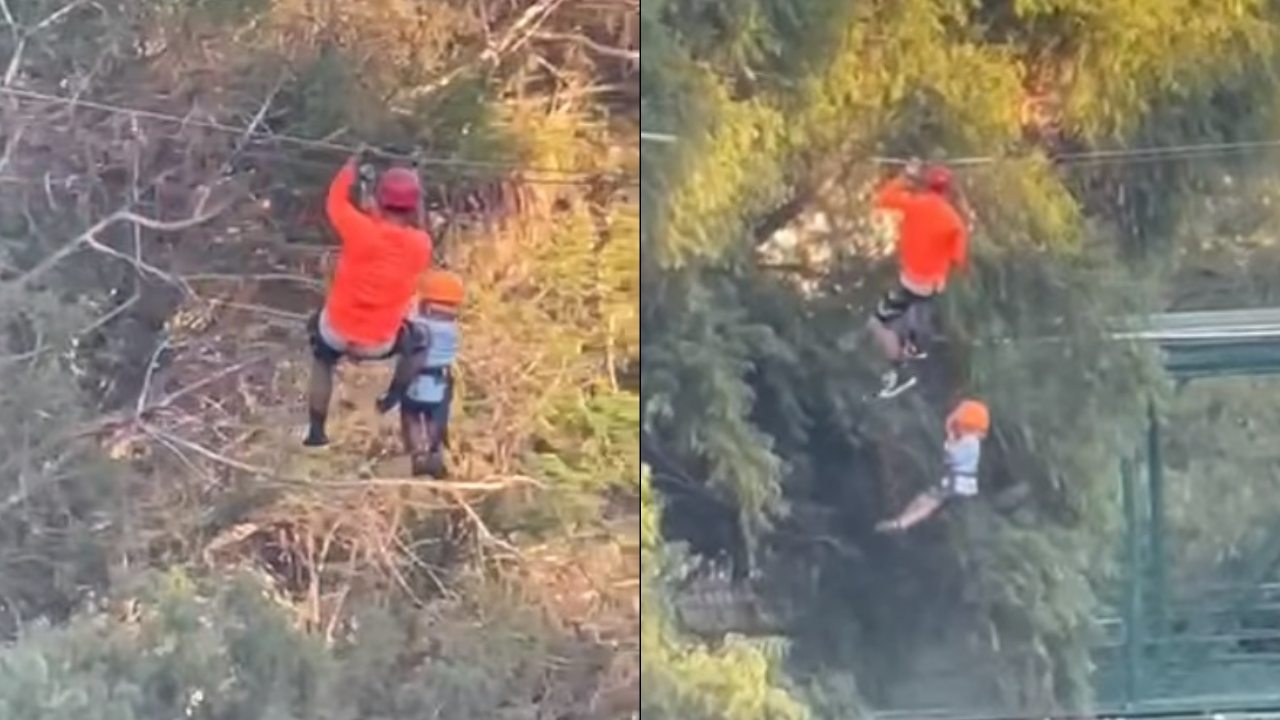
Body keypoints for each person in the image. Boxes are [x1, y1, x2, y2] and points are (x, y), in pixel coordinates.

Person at [303, 151, 434, 447]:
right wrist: (417, 179)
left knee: (322, 356)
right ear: (413, 206)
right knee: (421, 340)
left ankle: (315, 431)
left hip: (336, 330)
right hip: (380, 342)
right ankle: (391, 398)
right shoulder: (420, 245)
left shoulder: (358, 229)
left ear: (378, 198)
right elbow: (415, 226)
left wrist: (350, 166)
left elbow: (335, 201)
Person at [869, 158, 969, 398]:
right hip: (934, 285)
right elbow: (958, 259)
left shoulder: (915, 204)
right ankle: (912, 347)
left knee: (877, 321)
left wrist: (906, 175)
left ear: (925, 186)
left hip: (912, 281)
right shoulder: (954, 221)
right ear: (947, 191)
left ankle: (898, 370)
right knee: (910, 318)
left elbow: (883, 199)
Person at [375, 268, 464, 477]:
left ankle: (418, 455)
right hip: (441, 382)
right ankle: (433, 453)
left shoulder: (419, 328)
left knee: (412, 416)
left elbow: (408, 357)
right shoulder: (451, 330)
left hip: (416, 382)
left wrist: (392, 395)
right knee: (434, 418)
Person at [875, 399, 989, 533]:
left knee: (929, 503)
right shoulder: (969, 441)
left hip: (958, 483)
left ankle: (902, 524)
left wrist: (950, 438)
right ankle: (902, 519)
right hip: (951, 481)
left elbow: (953, 455)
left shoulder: (971, 442)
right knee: (923, 498)